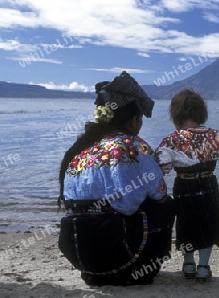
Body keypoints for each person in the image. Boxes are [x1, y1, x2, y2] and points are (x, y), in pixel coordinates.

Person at [58, 71, 175, 286]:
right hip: (116, 249)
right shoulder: (132, 145)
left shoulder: (81, 149)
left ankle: (99, 273)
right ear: (132, 121)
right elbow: (157, 195)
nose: (140, 124)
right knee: (165, 205)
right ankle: (142, 269)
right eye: (139, 119)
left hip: (78, 252)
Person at [156, 89, 219, 282]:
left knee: (186, 223)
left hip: (184, 186)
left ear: (176, 113)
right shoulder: (214, 135)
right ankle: (204, 267)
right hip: (208, 184)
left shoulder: (171, 140)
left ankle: (188, 264)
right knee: (208, 222)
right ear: (201, 112)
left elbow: (161, 169)